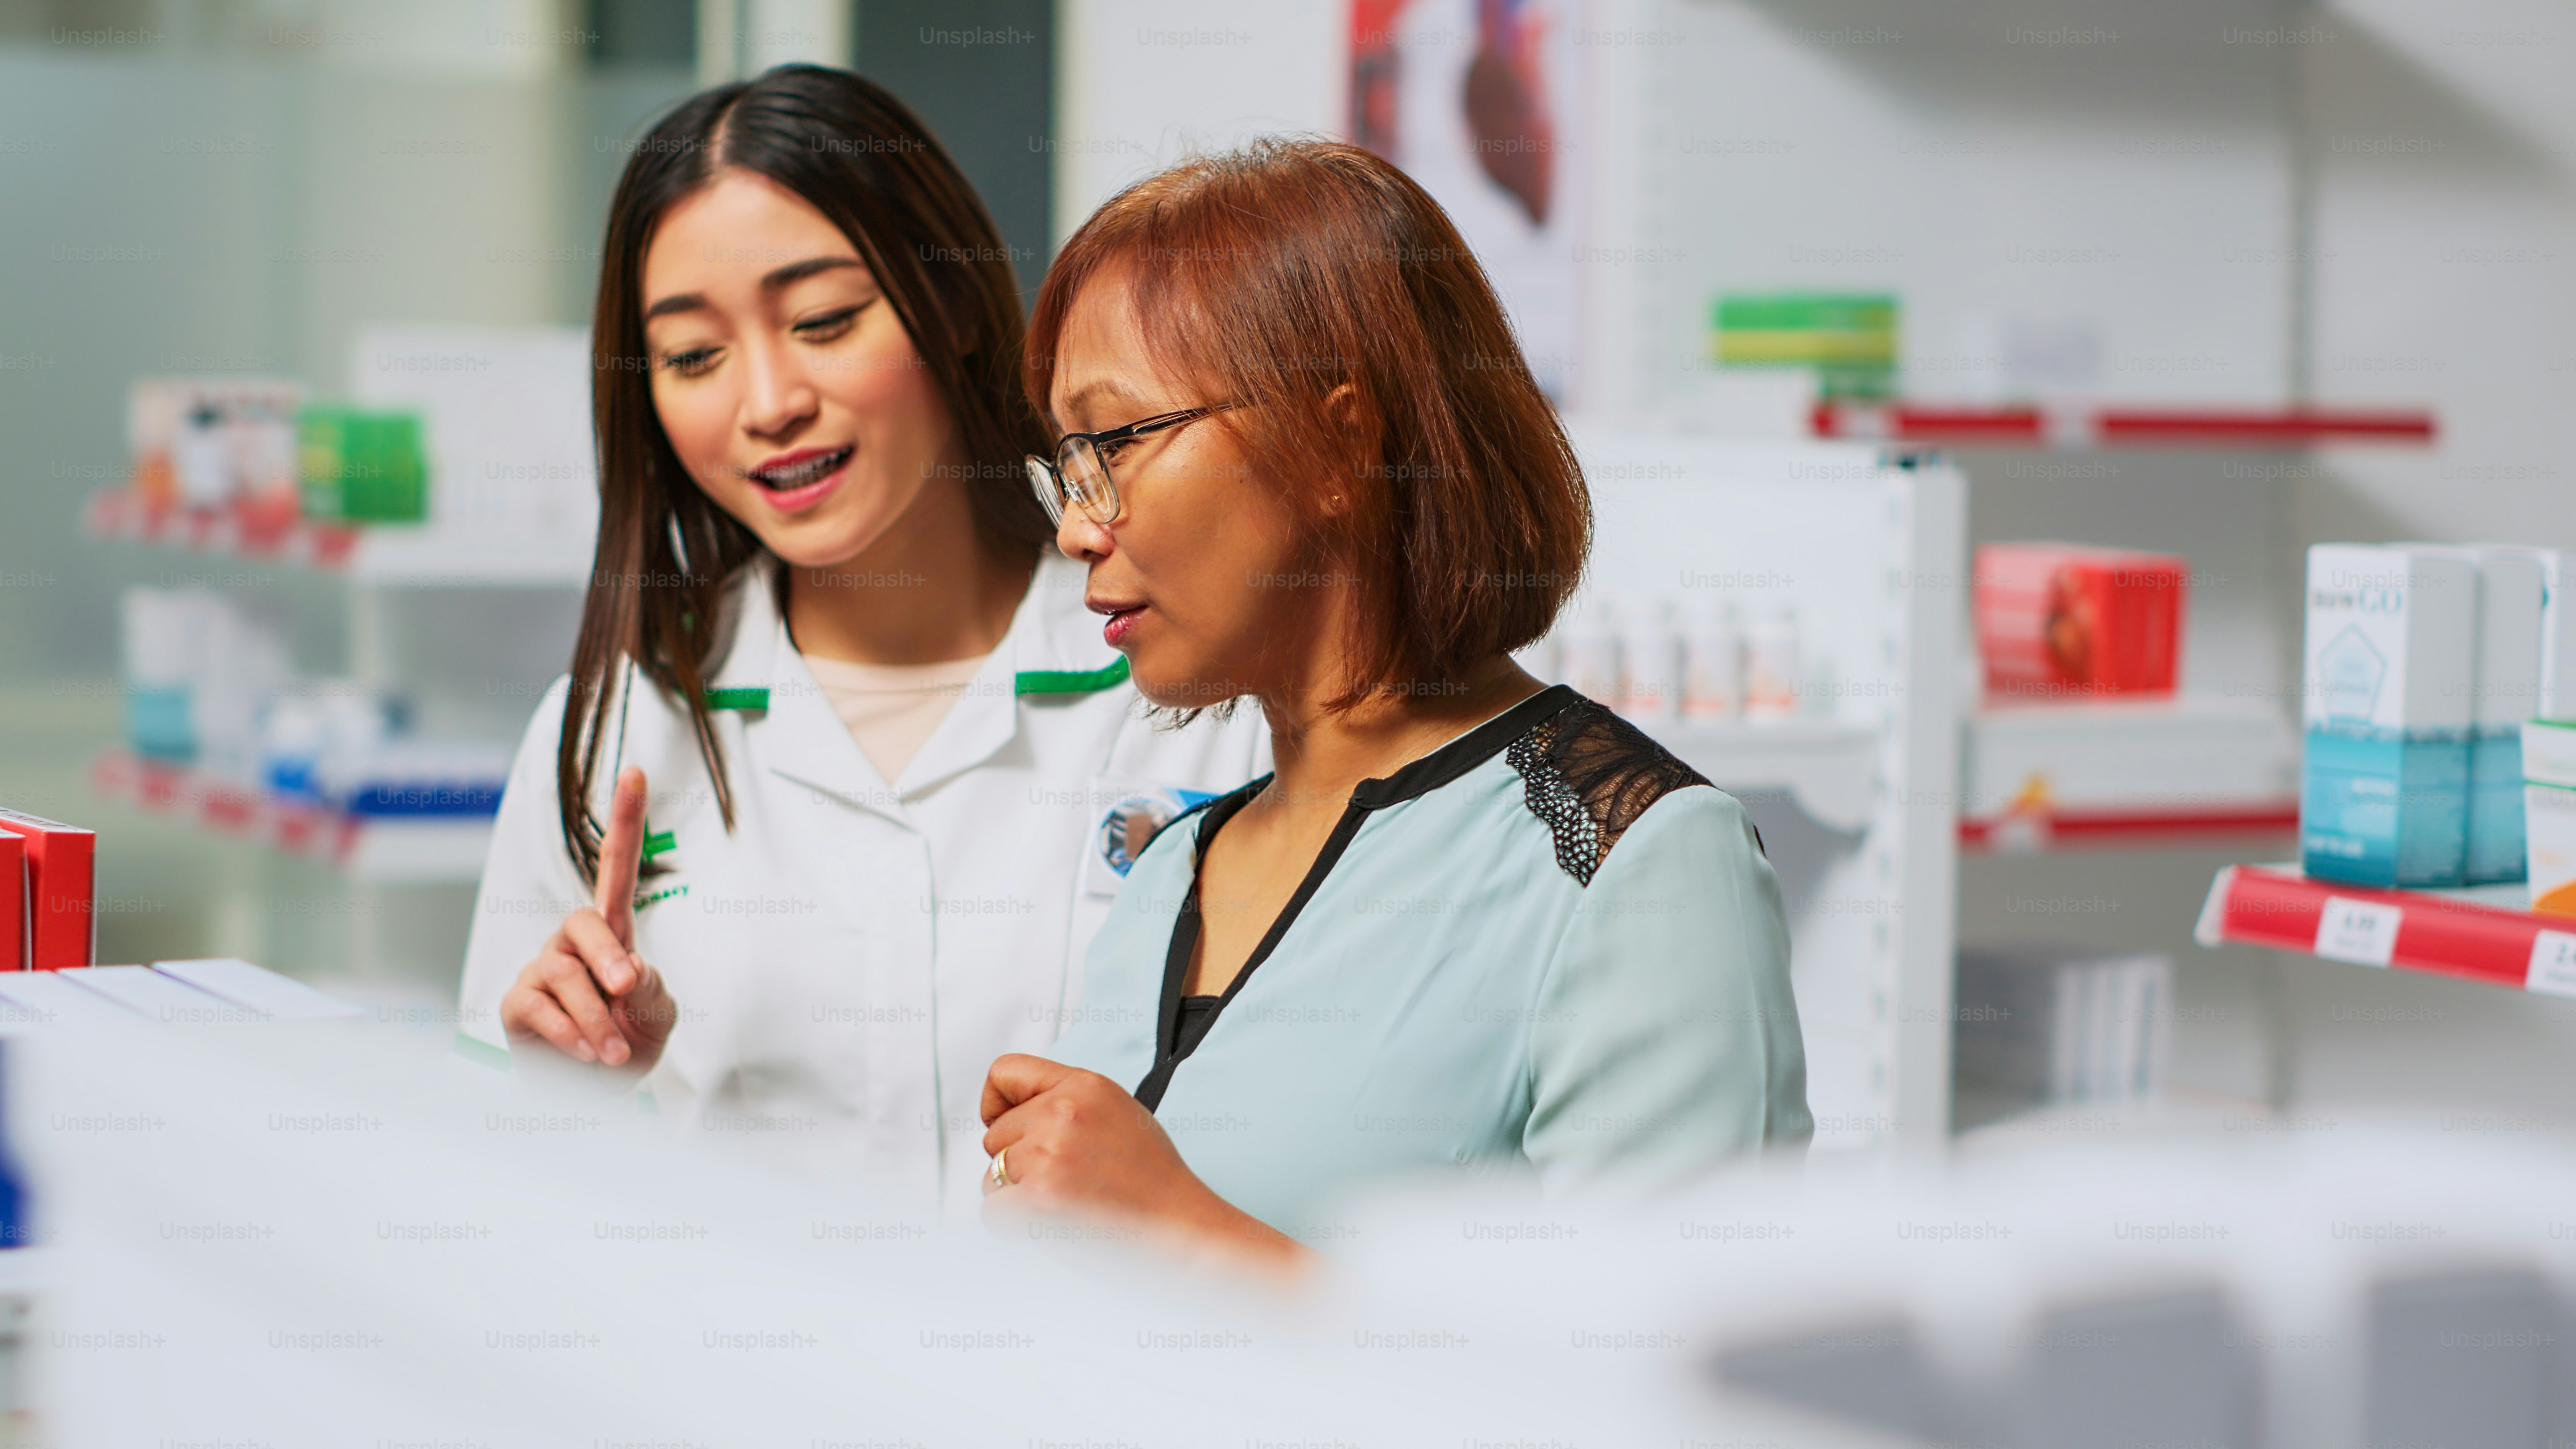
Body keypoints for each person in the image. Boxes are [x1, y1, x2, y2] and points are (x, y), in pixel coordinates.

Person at [976, 139, 1811, 1272]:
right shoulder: (1173, 866)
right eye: (1066, 466)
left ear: (1338, 445)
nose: (1078, 525)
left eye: (1115, 444)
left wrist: (1185, 1234)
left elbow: (1668, 1392)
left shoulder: (1635, 858)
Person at [457, 66, 1262, 1204]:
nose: (769, 400)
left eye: (824, 321)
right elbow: (492, 1197)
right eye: (695, 356)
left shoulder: (1192, 692)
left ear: (948, 308)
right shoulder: (614, 732)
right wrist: (579, 1095)